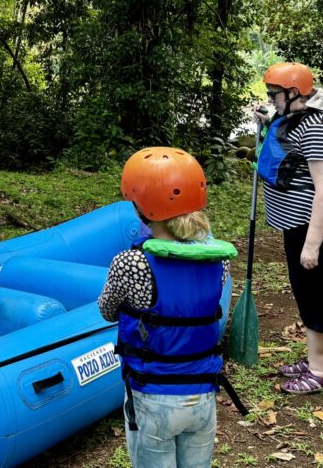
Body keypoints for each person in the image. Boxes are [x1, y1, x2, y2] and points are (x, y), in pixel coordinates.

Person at [98, 147, 237, 468]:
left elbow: (106, 310)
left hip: (154, 397)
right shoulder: (218, 263)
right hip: (202, 394)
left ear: (141, 208)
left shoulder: (131, 263)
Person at [254, 62, 323, 394]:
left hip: (316, 223)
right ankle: (315, 356)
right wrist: (267, 119)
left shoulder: (317, 126)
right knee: (305, 288)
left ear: (293, 93)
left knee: (315, 290)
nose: (271, 100)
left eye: (274, 95)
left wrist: (312, 245)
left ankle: (321, 371)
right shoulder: (300, 115)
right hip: (299, 220)